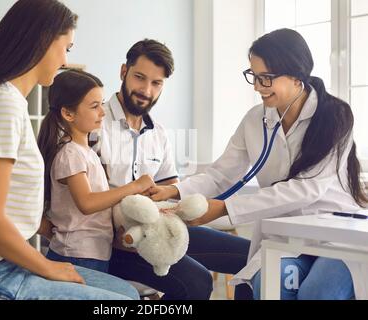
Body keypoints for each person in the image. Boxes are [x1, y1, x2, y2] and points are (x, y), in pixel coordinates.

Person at [0, 0, 138, 300]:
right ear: (43, 39)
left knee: (127, 293)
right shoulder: (0, 104)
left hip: (1, 264)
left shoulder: (8, 101)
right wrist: (47, 266)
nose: (66, 60)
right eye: (66, 47)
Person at [150, 28, 368, 300]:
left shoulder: (335, 115)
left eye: (266, 78)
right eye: (254, 76)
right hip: (286, 236)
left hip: (336, 234)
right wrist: (176, 191)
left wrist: (224, 209)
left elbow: (307, 188)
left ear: (296, 74)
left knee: (316, 292)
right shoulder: (256, 120)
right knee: (267, 285)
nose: (256, 87)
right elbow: (221, 174)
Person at [95, 39, 251, 300]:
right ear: (124, 72)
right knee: (197, 282)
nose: (146, 90)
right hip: (115, 243)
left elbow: (171, 191)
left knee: (252, 256)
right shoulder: (96, 124)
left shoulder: (159, 134)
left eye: (156, 83)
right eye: (139, 78)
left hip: (158, 232)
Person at [37, 69, 154, 274]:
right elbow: (87, 202)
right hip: (77, 255)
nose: (103, 112)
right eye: (94, 106)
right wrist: (134, 186)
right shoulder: (70, 153)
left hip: (94, 252)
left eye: (101, 104)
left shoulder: (86, 151)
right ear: (68, 113)